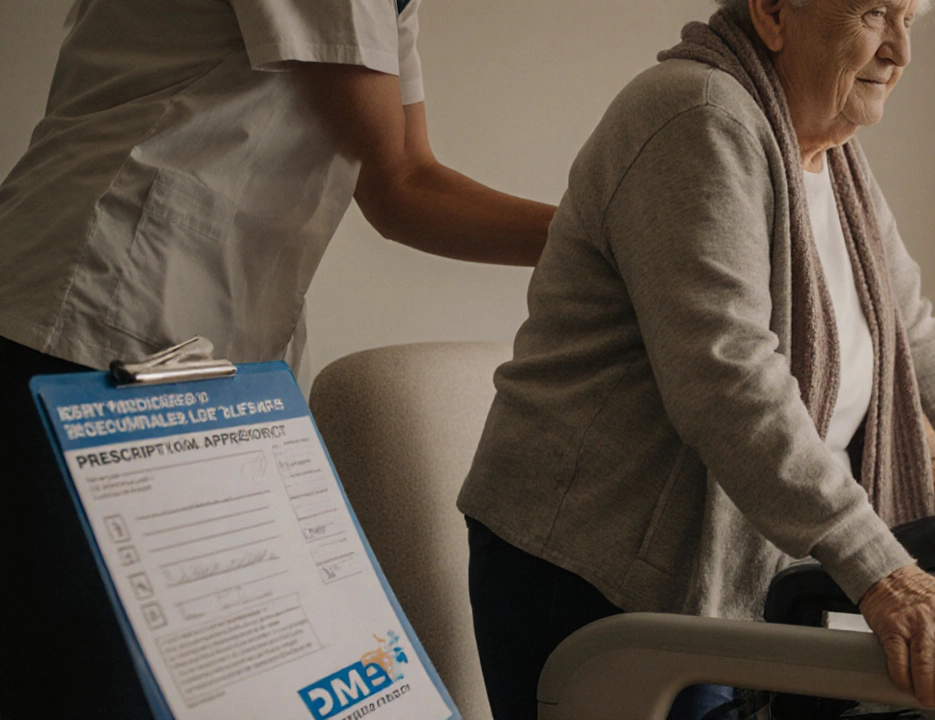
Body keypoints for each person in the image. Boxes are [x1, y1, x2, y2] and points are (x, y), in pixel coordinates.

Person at [457, 0, 935, 718]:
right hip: (594, 572)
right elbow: (727, 376)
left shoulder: (834, 162)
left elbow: (914, 336)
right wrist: (883, 572)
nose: (899, 51)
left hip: (730, 578)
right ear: (775, 13)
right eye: (875, 12)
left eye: (913, 18)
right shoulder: (697, 115)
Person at [0, 1, 553, 717]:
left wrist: (608, 241)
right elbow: (401, 180)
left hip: (196, 343)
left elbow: (402, 184)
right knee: (88, 678)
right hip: (93, 319)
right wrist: (619, 234)